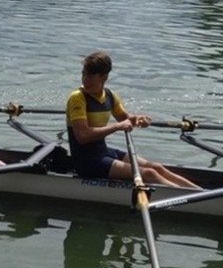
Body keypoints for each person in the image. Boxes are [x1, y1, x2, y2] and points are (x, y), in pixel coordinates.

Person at [66, 50, 199, 188]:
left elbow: (126, 118)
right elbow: (83, 136)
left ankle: (201, 193)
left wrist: (139, 119)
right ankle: (190, 198)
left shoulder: (110, 96)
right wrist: (117, 126)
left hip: (103, 152)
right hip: (86, 162)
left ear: (104, 77)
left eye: (90, 75)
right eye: (83, 74)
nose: (84, 79)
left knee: (157, 167)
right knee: (149, 174)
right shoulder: (77, 98)